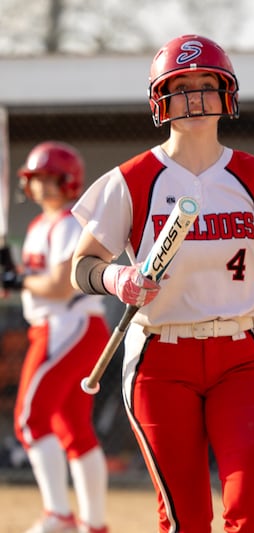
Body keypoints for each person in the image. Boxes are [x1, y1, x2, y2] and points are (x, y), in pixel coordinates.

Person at [68, 34, 254, 533]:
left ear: (227, 94)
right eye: (182, 87)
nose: (196, 98)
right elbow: (82, 266)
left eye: (207, 85)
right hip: (159, 360)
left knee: (253, 513)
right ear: (161, 100)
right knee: (186, 519)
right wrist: (118, 277)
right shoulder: (133, 179)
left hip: (241, 357)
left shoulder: (253, 175)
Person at [1, 141, 110, 533]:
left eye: (50, 178)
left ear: (68, 181)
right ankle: (93, 524)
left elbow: (60, 286)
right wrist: (10, 278)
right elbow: (32, 281)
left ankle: (59, 516)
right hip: (55, 329)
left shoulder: (69, 223)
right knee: (72, 428)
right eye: (36, 179)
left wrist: (17, 280)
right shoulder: (35, 228)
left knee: (30, 421)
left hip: (69, 326)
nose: (42, 186)